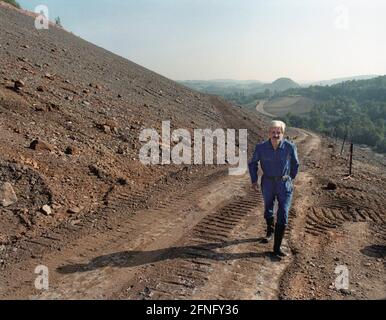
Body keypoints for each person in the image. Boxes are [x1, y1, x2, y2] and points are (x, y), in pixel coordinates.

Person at [248, 120, 300, 258]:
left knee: (283, 212)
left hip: (284, 184)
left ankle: (276, 248)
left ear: (282, 134)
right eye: (273, 132)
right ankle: (270, 231)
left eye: (279, 132)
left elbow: (296, 163)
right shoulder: (261, 147)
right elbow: (253, 163)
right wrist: (254, 180)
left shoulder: (290, 147)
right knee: (268, 208)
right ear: (269, 133)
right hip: (268, 183)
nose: (276, 135)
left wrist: (291, 178)